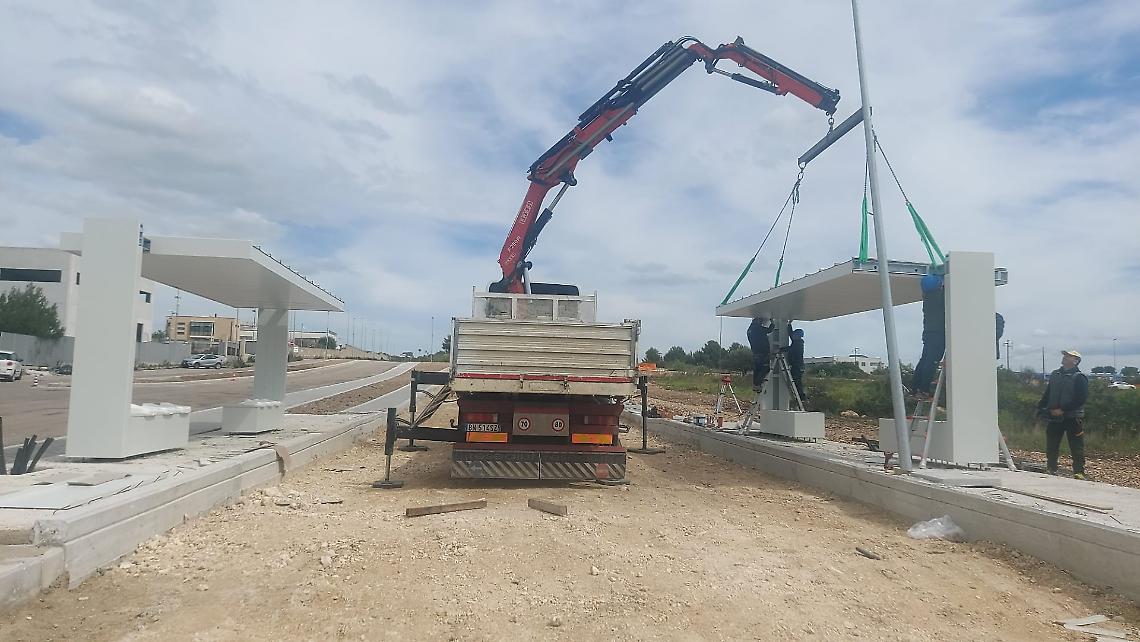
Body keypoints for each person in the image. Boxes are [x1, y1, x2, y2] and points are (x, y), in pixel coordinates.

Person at [1037, 349, 1089, 479]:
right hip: (1054, 416)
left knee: (1076, 445)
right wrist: (1041, 408)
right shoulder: (1055, 374)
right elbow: (1048, 393)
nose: (1065, 357)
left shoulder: (1080, 377)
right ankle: (1051, 468)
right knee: (1052, 444)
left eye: (1069, 356)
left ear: (1076, 361)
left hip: (1072, 417)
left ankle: (1079, 472)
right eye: (1065, 355)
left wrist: (1063, 409)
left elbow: (1080, 398)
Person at [911, 273, 945, 400]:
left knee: (925, 360)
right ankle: (923, 389)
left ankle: (915, 388)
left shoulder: (928, 298)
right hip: (938, 334)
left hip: (929, 333)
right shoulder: (939, 297)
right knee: (932, 361)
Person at [747, 316, 774, 393]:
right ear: (758, 321)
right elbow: (769, 330)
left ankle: (755, 385)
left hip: (755, 352)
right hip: (763, 353)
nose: (761, 323)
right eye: (760, 322)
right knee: (765, 368)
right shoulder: (758, 328)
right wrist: (773, 322)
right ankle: (757, 384)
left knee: (757, 369)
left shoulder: (749, 330)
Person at [786, 326, 806, 402]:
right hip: (796, 366)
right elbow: (790, 334)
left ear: (798, 336)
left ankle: (801, 397)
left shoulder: (798, 344)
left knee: (797, 382)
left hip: (798, 366)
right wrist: (789, 324)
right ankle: (800, 397)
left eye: (795, 335)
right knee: (795, 381)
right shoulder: (796, 341)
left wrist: (780, 349)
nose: (793, 336)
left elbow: (791, 349)